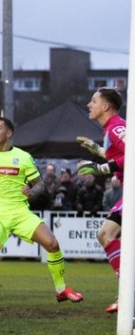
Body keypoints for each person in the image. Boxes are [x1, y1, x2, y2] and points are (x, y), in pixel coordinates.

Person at [0, 116, 83, 311]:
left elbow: (40, 184)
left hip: (20, 211)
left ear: (9, 133)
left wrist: (32, 191)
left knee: (52, 243)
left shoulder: (22, 157)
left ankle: (61, 289)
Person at [76, 87, 125, 313]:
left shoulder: (116, 126)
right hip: (128, 193)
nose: (89, 104)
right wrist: (97, 150)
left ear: (105, 106)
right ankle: (127, 291)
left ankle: (127, 293)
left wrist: (99, 168)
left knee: (106, 234)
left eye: (93, 101)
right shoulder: (111, 129)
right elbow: (120, 155)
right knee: (106, 235)